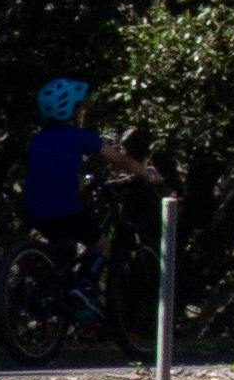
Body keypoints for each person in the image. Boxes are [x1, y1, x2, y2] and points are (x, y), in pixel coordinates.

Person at [24, 77, 161, 289]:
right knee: (102, 246)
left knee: (63, 248)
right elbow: (118, 159)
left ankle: (57, 288)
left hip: (35, 210)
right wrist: (145, 173)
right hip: (66, 208)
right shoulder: (79, 137)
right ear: (71, 109)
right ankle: (84, 285)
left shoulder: (36, 140)